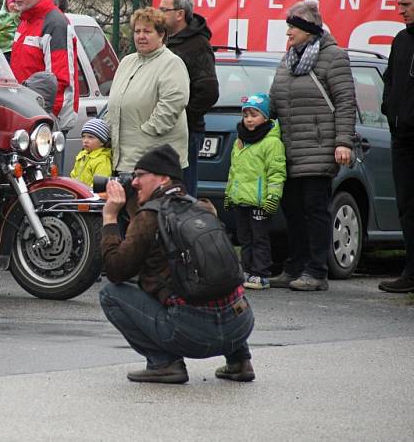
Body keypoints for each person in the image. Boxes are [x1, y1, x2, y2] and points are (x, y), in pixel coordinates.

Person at [99, 144, 255, 384]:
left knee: (110, 294)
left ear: (163, 178)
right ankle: (239, 361)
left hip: (193, 335)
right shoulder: (202, 207)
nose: (135, 183)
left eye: (140, 176)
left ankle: (164, 364)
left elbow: (116, 270)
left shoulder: (149, 217)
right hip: (240, 326)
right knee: (214, 279)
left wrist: (110, 218)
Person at [268, 1, 356, 292]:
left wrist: (343, 141)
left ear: (308, 29)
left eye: (293, 26)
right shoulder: (289, 58)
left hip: (318, 147)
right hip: (290, 149)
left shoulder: (333, 58)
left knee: (314, 209)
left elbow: (345, 102)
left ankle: (316, 271)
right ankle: (294, 266)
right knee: (292, 210)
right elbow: (275, 98)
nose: (288, 32)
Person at [104, 7, 189, 175]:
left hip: (156, 163)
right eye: (137, 31)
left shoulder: (171, 63)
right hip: (123, 159)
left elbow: (172, 104)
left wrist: (147, 132)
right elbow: (114, 103)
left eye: (147, 31)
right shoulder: (127, 62)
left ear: (161, 34)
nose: (141, 36)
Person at [160, 0, 219, 197]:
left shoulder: (198, 45)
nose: (159, 14)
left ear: (179, 14)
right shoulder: (163, 42)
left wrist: (181, 119)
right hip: (163, 131)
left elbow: (209, 92)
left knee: (182, 191)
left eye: (164, 9)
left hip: (187, 133)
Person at [224, 93, 286, 290]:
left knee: (259, 238)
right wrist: (229, 193)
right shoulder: (240, 141)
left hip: (259, 201)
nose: (249, 120)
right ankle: (247, 271)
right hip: (241, 199)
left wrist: (273, 197)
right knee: (244, 238)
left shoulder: (271, 142)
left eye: (254, 115)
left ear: (266, 118)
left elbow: (276, 172)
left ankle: (261, 273)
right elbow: (234, 171)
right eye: (246, 115)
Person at [7, 0, 79, 136]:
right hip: (25, 113)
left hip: (45, 120)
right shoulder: (25, 21)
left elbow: (60, 79)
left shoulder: (55, 23)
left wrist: (49, 119)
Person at [379, 0, 414, 293]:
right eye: (399, 4)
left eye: (406, 4)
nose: (400, 10)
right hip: (401, 137)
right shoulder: (401, 40)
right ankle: (410, 272)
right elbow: (390, 79)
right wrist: (388, 109)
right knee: (406, 205)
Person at [70, 118, 112, 187]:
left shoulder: (102, 160)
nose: (85, 140)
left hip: (91, 195)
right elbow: (73, 175)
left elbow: (99, 185)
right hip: (78, 192)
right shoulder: (82, 155)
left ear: (102, 142)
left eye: (91, 137)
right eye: (83, 137)